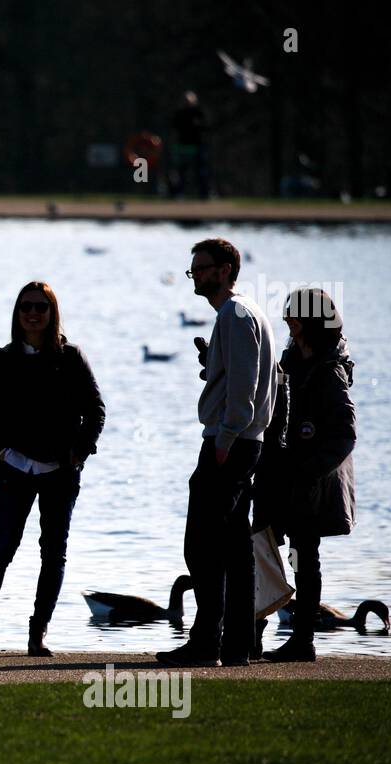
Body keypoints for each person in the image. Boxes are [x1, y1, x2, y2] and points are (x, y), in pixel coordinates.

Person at [0, 281, 105, 657]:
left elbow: (96, 411)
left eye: (41, 307)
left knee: (54, 554)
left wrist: (80, 453)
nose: (33, 313)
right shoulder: (3, 360)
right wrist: (1, 452)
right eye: (26, 307)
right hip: (14, 471)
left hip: (60, 472)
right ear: (17, 314)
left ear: (52, 312)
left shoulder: (71, 357)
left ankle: (37, 635)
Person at [158, 238, 278, 667]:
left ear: (226, 269)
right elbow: (260, 379)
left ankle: (207, 640)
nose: (197, 276)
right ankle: (238, 645)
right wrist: (215, 368)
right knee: (234, 546)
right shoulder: (246, 314)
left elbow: (245, 391)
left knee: (201, 543)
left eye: (203, 268)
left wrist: (225, 440)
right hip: (246, 442)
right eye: (193, 270)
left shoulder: (235, 313)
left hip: (231, 443)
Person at [257, 288, 357, 662]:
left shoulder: (330, 371)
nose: (287, 321)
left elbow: (345, 435)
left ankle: (302, 641)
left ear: (311, 322)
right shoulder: (290, 361)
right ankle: (251, 634)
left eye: (294, 316)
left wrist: (309, 473)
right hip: (278, 474)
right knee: (261, 550)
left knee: (304, 556)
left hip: (308, 483)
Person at [168, 91, 209, 200]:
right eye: (186, 100)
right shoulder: (179, 114)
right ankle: (178, 194)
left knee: (201, 173)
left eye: (189, 100)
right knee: (181, 173)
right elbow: (173, 129)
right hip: (183, 147)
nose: (187, 103)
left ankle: (204, 195)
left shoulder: (199, 113)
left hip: (197, 147)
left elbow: (205, 128)